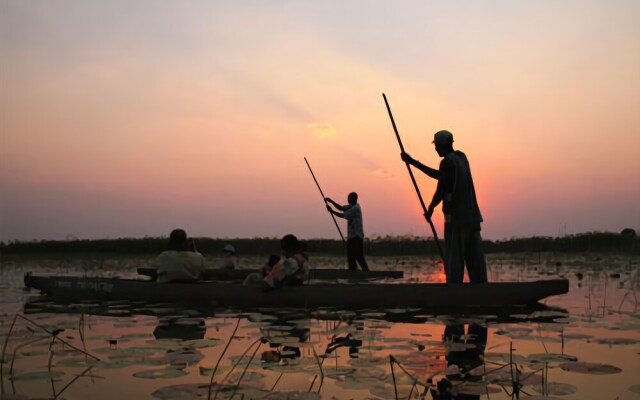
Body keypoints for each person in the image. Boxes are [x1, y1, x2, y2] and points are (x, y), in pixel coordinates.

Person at [401, 130, 487, 283]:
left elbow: (441, 185)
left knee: (454, 259)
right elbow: (443, 182)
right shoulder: (462, 157)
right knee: (475, 261)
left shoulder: (448, 162)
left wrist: (413, 162)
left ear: (443, 145)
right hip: (473, 218)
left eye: (437, 146)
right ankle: (480, 289)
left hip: (457, 219)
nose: (435, 149)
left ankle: (454, 291)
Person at [325, 192, 370, 271]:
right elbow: (341, 208)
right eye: (348, 197)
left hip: (356, 237)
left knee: (358, 256)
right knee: (351, 257)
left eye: (350, 198)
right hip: (351, 238)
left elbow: (342, 215)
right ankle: (353, 273)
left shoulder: (355, 209)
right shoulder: (351, 206)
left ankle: (366, 272)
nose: (348, 199)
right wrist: (331, 201)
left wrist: (331, 211)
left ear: (354, 199)